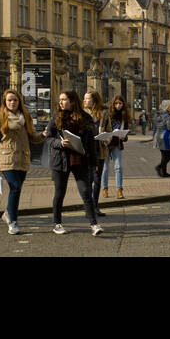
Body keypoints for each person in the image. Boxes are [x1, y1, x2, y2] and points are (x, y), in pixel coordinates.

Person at [0, 88, 44, 234]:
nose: (12, 102)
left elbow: (33, 137)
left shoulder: (26, 117)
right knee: (15, 187)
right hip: (6, 157)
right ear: (5, 101)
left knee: (17, 189)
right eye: (9, 100)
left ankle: (7, 213)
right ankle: (13, 221)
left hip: (23, 157)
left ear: (19, 102)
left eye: (15, 100)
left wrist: (43, 134)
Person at [44, 90, 102, 235]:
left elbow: (91, 143)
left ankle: (94, 224)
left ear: (72, 101)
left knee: (85, 192)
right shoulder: (56, 117)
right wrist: (60, 143)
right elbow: (49, 138)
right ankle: (57, 223)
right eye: (60, 100)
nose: (61, 102)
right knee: (59, 192)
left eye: (64, 99)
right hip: (60, 160)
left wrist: (94, 162)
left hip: (79, 159)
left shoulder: (85, 118)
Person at [103, 94, 131, 200]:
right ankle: (105, 189)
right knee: (105, 168)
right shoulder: (108, 115)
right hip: (106, 144)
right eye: (116, 103)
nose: (118, 105)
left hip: (117, 145)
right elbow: (102, 128)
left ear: (123, 104)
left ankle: (119, 190)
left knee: (118, 167)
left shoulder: (124, 117)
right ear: (113, 104)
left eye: (120, 103)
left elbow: (126, 133)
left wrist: (124, 137)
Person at [84, 91, 108, 200]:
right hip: (87, 151)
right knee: (89, 180)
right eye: (84, 98)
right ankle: (89, 205)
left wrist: (108, 139)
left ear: (94, 101)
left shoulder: (103, 113)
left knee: (98, 180)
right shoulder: (82, 113)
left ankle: (95, 206)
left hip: (99, 150)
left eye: (87, 98)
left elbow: (109, 130)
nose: (84, 100)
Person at [154, 99, 170, 177]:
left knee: (164, 155)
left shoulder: (158, 115)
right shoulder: (167, 116)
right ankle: (159, 167)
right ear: (167, 107)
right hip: (166, 137)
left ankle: (164, 172)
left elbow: (156, 125)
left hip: (158, 136)